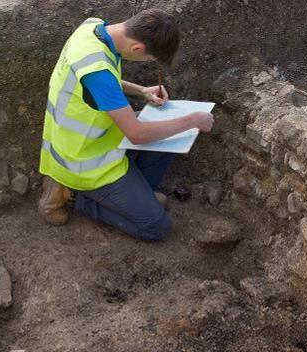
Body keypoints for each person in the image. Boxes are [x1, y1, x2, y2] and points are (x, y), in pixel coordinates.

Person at [37, 9, 214, 241]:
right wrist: (193, 120)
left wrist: (141, 91)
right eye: (150, 58)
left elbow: (103, 82)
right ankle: (76, 197)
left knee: (171, 138)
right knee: (157, 227)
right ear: (138, 49)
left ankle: (136, 197)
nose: (148, 61)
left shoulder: (93, 28)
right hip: (84, 163)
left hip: (100, 139)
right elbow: (137, 134)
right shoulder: (97, 72)